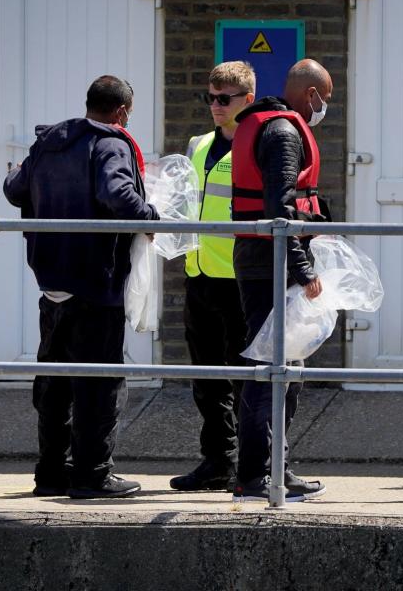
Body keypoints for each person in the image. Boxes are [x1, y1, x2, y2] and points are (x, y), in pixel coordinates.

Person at [3, 75, 159, 499]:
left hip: (51, 279)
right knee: (100, 383)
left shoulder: (49, 142)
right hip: (95, 282)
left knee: (54, 382)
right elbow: (117, 194)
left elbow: (14, 190)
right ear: (122, 112)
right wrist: (150, 217)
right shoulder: (112, 142)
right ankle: (92, 475)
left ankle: (51, 471)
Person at [229, 59, 333, 503]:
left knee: (280, 370)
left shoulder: (268, 126)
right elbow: (281, 208)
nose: (325, 107)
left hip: (263, 259)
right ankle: (258, 476)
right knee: (271, 370)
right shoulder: (284, 133)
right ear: (310, 95)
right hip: (271, 264)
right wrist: (302, 269)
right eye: (324, 98)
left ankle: (272, 469)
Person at [170, 62, 256, 493]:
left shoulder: (256, 144)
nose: (216, 106)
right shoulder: (198, 144)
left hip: (237, 279)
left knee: (245, 378)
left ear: (248, 100)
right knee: (206, 378)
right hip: (199, 273)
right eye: (211, 97)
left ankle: (250, 463)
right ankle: (218, 460)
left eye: (225, 99)